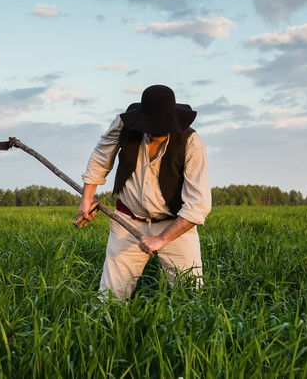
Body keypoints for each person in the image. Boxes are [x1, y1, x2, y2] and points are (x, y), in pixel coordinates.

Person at [76, 84, 211, 299]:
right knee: (110, 299)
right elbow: (102, 155)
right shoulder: (124, 124)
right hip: (127, 222)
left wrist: (162, 239)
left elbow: (198, 205)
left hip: (175, 226)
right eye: (151, 125)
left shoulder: (192, 142)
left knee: (190, 298)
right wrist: (87, 199)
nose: (156, 131)